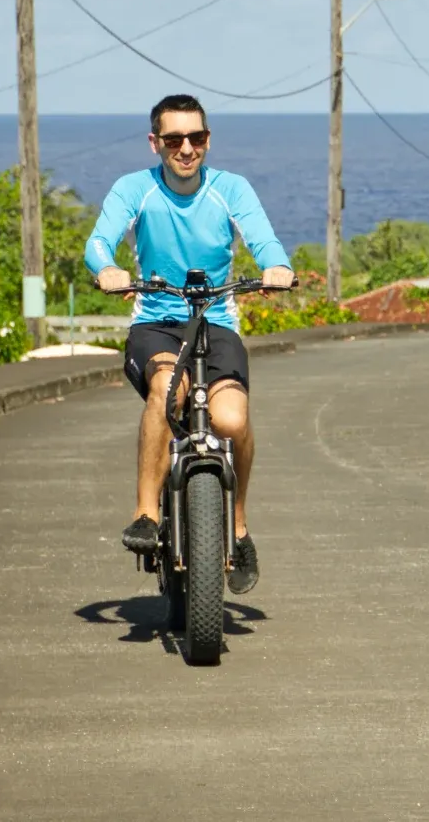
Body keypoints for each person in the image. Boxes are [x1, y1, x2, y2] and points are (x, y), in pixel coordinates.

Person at [83, 93, 294, 594]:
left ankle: (238, 525)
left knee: (231, 421)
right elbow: (98, 242)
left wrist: (276, 267)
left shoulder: (230, 189)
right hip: (156, 322)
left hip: (216, 321)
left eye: (195, 138)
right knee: (167, 389)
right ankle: (145, 514)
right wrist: (108, 269)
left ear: (207, 140)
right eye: (174, 139)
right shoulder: (135, 189)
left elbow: (263, 240)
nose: (186, 149)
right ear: (155, 142)